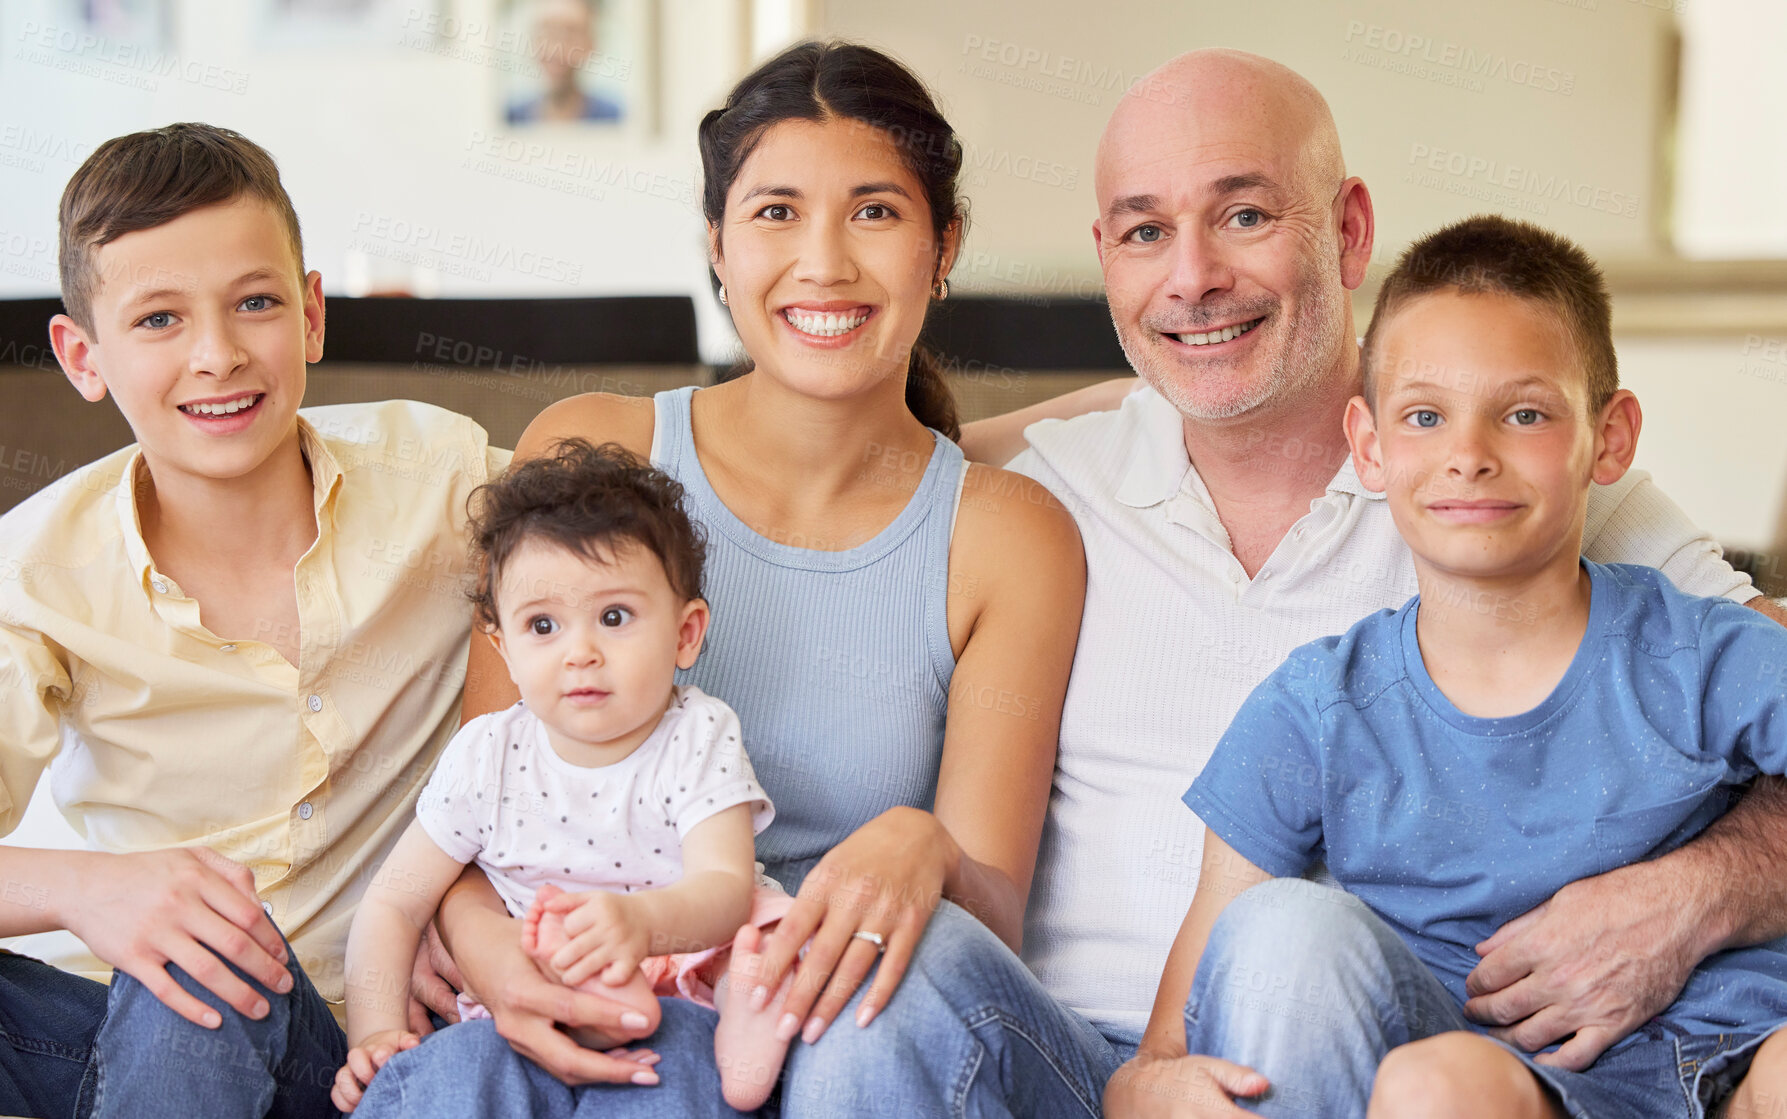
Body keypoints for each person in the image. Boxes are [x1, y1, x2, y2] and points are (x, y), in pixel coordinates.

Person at [958, 48, 1787, 1083]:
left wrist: (1708, 888)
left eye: (1245, 215)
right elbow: (856, 459)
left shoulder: (1499, 486)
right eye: (1144, 233)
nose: (1191, 276)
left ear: (1348, 231)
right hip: (1070, 1057)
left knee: (1285, 940)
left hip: (1363, 1049)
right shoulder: (1031, 487)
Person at [354, 40, 1108, 1118]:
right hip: (573, 992)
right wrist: (497, 970)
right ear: (714, 245)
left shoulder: (1005, 536)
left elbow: (978, 931)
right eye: (774, 213)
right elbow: (485, 799)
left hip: (839, 1022)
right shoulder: (592, 452)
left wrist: (919, 840)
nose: (824, 263)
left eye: (875, 213)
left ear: (944, 247)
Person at [1108, 214, 1787, 1118]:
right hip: (1480, 1087)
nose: (1469, 454)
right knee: (1422, 1070)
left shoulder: (1699, 654)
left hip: (1726, 1064)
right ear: (1370, 445)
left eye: (1524, 413)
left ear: (1609, 438)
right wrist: (1149, 1090)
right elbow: (1167, 1049)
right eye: (1425, 416)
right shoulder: (1317, 709)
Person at [0, 123, 517, 1116]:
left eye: (255, 303)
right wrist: (87, 889)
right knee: (182, 933)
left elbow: (621, 506)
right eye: (157, 320)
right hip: (117, 1038)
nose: (217, 354)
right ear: (82, 355)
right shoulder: (38, 572)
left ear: (312, 315)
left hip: (355, 1041)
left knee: (205, 948)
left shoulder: (441, 482)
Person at [331, 439, 797, 1112]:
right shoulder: (485, 755)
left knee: (762, 933)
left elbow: (723, 887)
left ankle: (750, 1018)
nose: (580, 652)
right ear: (504, 648)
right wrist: (375, 1031)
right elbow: (395, 902)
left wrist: (641, 923)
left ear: (685, 633)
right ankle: (601, 1005)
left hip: (685, 947)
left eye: (613, 617)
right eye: (542, 624)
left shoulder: (697, 732)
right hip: (549, 975)